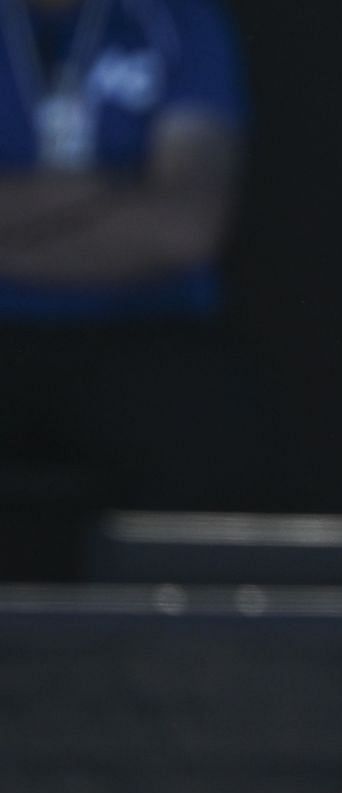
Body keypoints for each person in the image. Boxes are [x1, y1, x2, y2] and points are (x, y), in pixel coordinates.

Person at [0, 0, 248, 574]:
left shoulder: (179, 22)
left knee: (201, 428)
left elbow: (184, 228)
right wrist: (111, 190)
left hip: (146, 327)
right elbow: (156, 213)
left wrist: (20, 207)